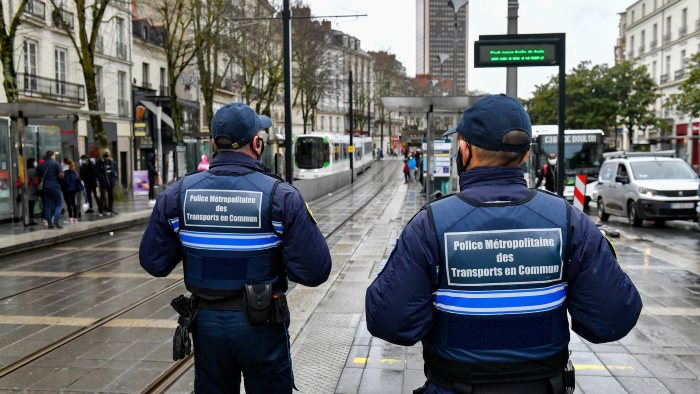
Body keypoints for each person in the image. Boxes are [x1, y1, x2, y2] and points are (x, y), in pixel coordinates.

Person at [365, 94, 642, 394]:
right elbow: (614, 318)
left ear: (464, 150)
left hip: (454, 387)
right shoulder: (569, 221)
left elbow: (388, 321)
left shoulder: (430, 224)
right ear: (524, 156)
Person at [139, 102, 332, 393]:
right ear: (257, 143)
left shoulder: (176, 195)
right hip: (262, 322)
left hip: (207, 327)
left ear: (214, 143)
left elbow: (154, 262)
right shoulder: (281, 197)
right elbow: (315, 271)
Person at [36, 151, 64, 229]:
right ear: (52, 156)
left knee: (47, 205)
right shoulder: (56, 164)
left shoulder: (40, 165)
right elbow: (61, 174)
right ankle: (56, 220)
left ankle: (49, 223)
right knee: (58, 203)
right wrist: (60, 178)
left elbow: (36, 177)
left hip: (45, 187)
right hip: (55, 186)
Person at [95, 150, 119, 217]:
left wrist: (115, 177)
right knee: (103, 196)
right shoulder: (99, 163)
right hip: (103, 182)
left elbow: (115, 170)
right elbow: (96, 171)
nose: (106, 157)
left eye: (107, 155)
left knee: (111, 196)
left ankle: (110, 209)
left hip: (111, 181)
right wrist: (102, 177)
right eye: (105, 155)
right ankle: (101, 210)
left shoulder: (112, 162)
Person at [25, 158, 39, 225]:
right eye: (35, 162)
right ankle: (31, 219)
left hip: (27, 190)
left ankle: (28, 219)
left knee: (29, 206)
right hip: (32, 190)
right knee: (31, 206)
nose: (36, 163)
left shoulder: (26, 170)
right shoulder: (33, 171)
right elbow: (35, 181)